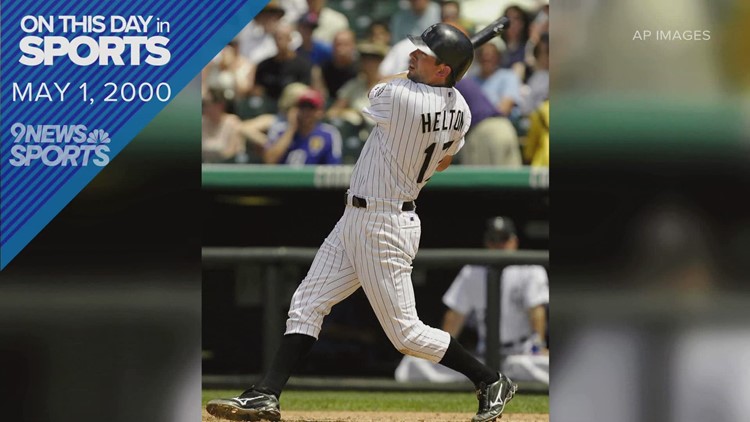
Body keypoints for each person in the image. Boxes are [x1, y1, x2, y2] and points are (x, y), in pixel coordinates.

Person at [206, 23, 516, 422]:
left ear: (443, 69)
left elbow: (374, 84)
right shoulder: (462, 110)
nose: (411, 57)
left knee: (406, 333)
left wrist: (419, 77)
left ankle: (490, 380)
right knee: (307, 303)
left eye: (423, 55)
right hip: (363, 216)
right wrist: (437, 73)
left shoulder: (403, 96)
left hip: (383, 223)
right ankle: (266, 393)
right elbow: (443, 160)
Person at [395, 217, 549, 384]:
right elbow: (455, 316)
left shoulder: (530, 269)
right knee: (413, 364)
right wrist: (440, 353)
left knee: (550, 366)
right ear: (487, 243)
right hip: (484, 357)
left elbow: (537, 312)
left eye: (503, 239)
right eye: (493, 240)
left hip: (522, 355)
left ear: (514, 241)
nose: (498, 245)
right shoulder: (472, 272)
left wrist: (538, 347)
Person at [263, 88, 342, 165]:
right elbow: (270, 160)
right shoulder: (279, 130)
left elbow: (333, 168)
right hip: (282, 178)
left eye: (311, 108)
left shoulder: (329, 133)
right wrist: (291, 129)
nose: (306, 112)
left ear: (320, 112)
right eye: (302, 107)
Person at [201, 89, 245, 163]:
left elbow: (231, 152)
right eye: (203, 104)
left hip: (228, 166)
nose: (204, 108)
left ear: (220, 105)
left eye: (207, 104)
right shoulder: (201, 122)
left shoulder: (233, 122)